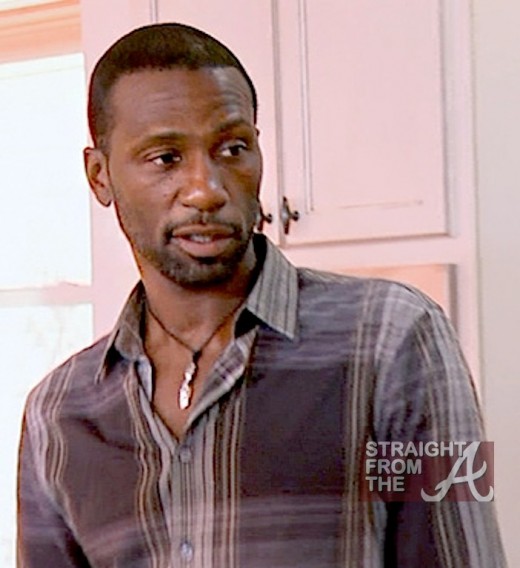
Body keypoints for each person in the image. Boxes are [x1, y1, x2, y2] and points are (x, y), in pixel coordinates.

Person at [17, 23, 505, 568]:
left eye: (232, 148)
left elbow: (462, 554)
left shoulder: (396, 337)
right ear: (99, 176)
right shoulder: (57, 413)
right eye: (165, 158)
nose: (206, 189)